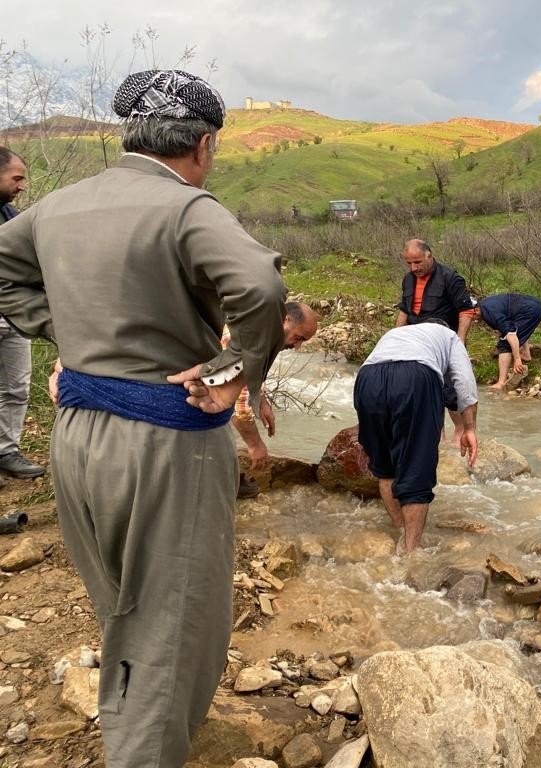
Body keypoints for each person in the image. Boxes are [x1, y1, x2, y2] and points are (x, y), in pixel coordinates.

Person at [0, 69, 287, 768]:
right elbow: (259, 286)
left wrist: (64, 334)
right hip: (166, 442)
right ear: (204, 144)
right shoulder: (186, 207)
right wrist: (235, 369)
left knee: (122, 603)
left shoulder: (60, 206)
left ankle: (133, 727)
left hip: (77, 438)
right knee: (172, 623)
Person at [354, 321, 479, 553]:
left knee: (385, 467)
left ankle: (401, 533)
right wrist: (469, 428)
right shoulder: (449, 336)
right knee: (415, 468)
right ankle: (412, 553)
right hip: (415, 377)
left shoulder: (395, 333)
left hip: (367, 379)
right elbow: (464, 382)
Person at [230, 301, 318, 498]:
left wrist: (261, 400)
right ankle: (229, 483)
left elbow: (250, 375)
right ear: (284, 320)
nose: (297, 346)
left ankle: (230, 481)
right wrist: (255, 446)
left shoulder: (261, 331)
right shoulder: (252, 337)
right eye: (298, 337)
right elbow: (240, 410)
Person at [394, 239, 476, 443]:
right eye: (409, 263)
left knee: (452, 389)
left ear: (429, 256)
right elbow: (405, 309)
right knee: (424, 388)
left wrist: (459, 342)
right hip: (416, 342)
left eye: (418, 262)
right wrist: (395, 337)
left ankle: (461, 431)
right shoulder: (408, 279)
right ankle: (437, 434)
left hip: (444, 341)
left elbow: (466, 310)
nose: (414, 268)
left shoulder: (450, 278)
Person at [0, 148, 45, 480]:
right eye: (16, 178)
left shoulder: (11, 217)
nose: (22, 185)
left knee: (16, 386)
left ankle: (6, 452)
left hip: (12, 316)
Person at [473, 293, 541, 391]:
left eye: (471, 315)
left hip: (530, 309)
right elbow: (510, 327)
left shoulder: (488, 312)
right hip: (534, 304)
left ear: (476, 309)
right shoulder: (485, 305)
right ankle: (526, 354)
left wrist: (516, 359)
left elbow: (511, 333)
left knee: (505, 344)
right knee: (518, 329)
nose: (472, 319)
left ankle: (501, 383)